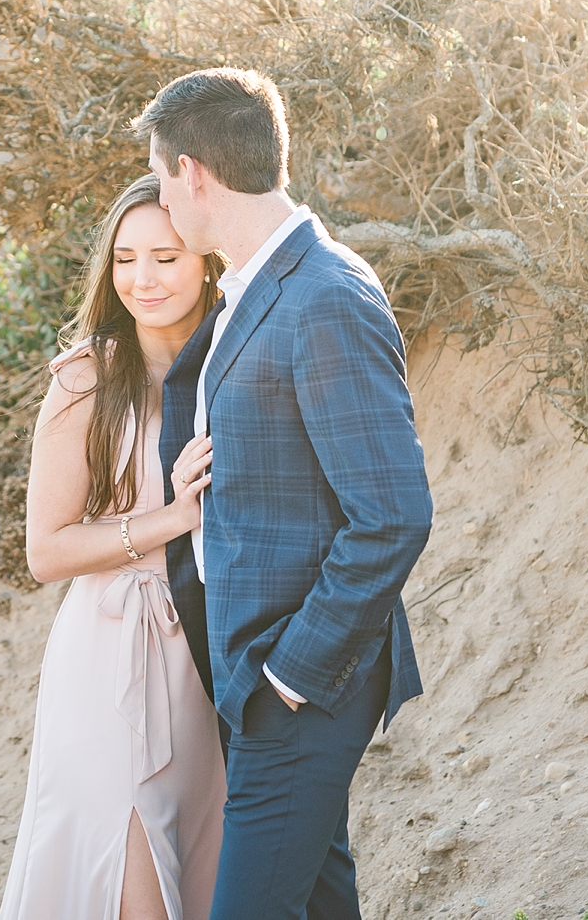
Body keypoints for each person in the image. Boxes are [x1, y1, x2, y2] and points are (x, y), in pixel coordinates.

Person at [140, 68, 434, 919]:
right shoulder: (256, 287)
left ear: (194, 172)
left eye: (162, 176)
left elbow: (393, 515)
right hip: (254, 678)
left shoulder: (323, 296)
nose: (163, 195)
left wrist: (290, 678)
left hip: (301, 687)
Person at [0, 173, 229, 920]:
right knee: (124, 875)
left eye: (165, 256)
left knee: (200, 864)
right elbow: (46, 551)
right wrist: (171, 517)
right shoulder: (85, 379)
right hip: (108, 651)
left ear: (206, 259)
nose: (142, 279)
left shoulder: (238, 359)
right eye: (125, 259)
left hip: (208, 648)